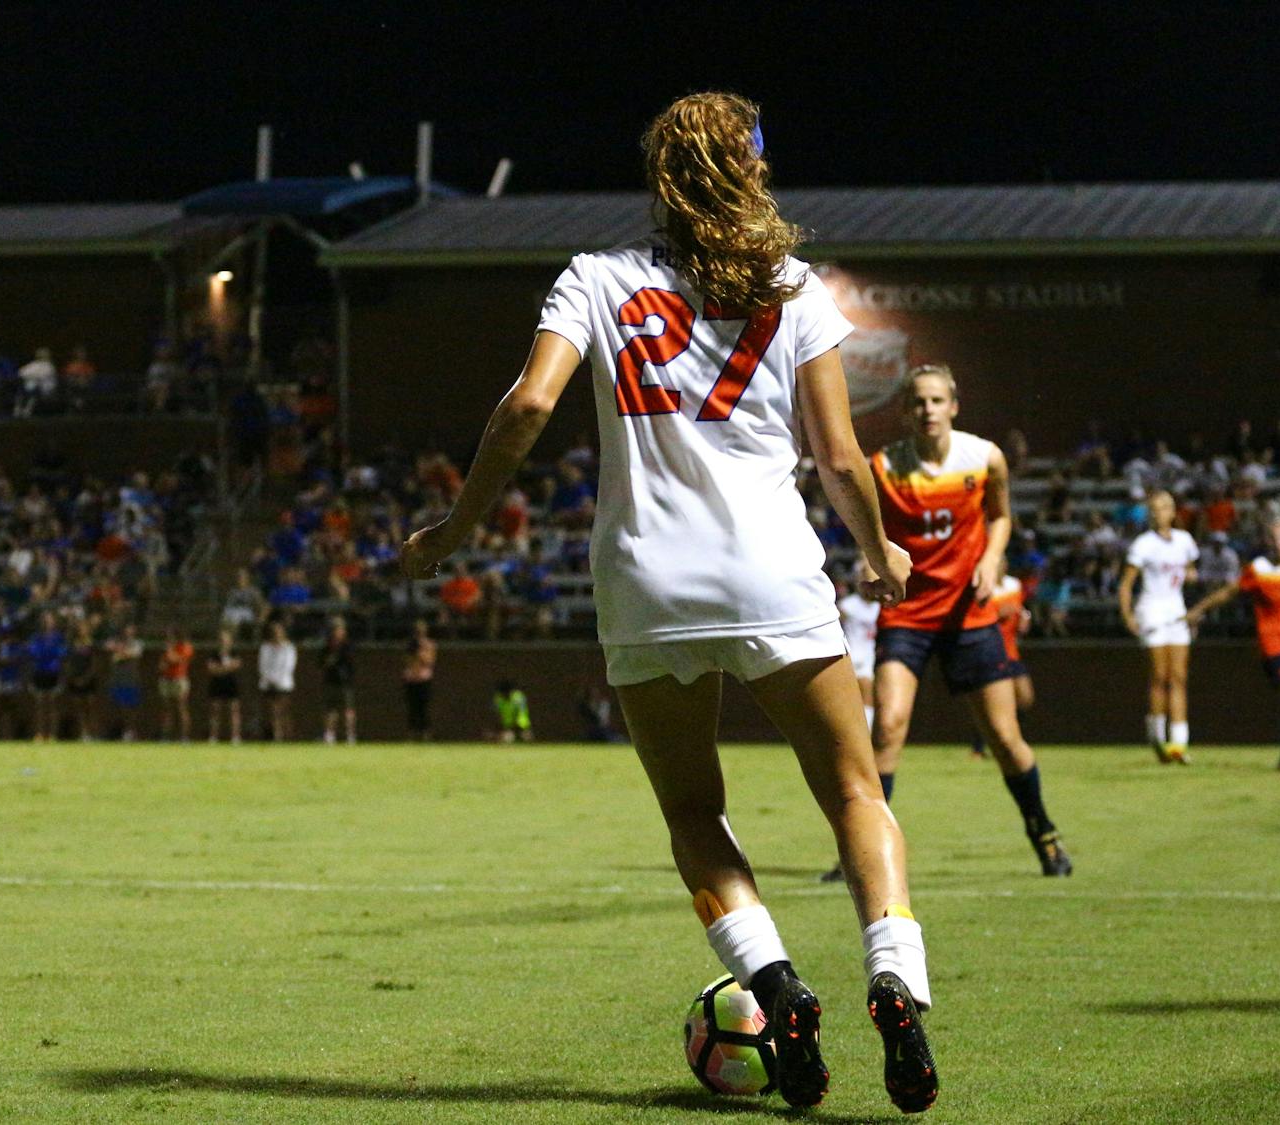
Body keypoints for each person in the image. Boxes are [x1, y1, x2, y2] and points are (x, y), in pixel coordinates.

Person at [400, 92, 934, 1112]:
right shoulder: (796, 288)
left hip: (645, 585)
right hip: (773, 575)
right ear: (756, 173)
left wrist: (458, 530)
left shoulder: (596, 280)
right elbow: (836, 454)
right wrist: (881, 552)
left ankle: (774, 986)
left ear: (660, 178)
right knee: (857, 796)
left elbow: (526, 406)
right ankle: (896, 982)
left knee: (696, 811)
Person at [869, 364, 1071, 878]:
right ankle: (867, 852)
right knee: (888, 726)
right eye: (918, 402)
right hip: (908, 614)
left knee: (1004, 738)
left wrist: (991, 557)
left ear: (953, 406)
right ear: (905, 410)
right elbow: (868, 531)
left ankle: (1043, 832)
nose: (928, 410)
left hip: (969, 615)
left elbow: (1000, 516)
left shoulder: (984, 458)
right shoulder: (884, 467)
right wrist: (876, 567)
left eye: (937, 401)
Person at [1186, 517, 1280, 771]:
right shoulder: (1258, 569)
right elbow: (1229, 591)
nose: (1274, 544)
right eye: (1270, 538)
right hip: (1275, 645)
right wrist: (1199, 610)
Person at [1118, 490, 1199, 763]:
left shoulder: (1184, 541)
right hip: (1151, 610)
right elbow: (1126, 584)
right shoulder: (1143, 544)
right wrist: (1128, 616)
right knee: (1159, 676)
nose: (1158, 512)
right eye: (1154, 508)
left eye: (1164, 507)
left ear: (1173, 511)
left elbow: (1189, 570)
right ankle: (1157, 738)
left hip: (1176, 611)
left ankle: (1179, 744)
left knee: (1179, 677)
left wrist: (1190, 576)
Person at [820, 574, 881, 883]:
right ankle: (859, 738)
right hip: (850, 654)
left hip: (867, 657)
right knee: (859, 696)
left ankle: (863, 738)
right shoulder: (849, 605)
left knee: (867, 694)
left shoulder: (877, 609)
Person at [971, 569, 1034, 758]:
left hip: (1010, 652)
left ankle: (1013, 739)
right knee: (989, 702)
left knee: (1025, 698)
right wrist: (998, 613)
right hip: (989, 650)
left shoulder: (1013, 585)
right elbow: (974, 616)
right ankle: (979, 747)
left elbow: (1023, 612)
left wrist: (1024, 620)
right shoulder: (981, 585)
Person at [27, 612, 68, 741]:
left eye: (49, 620)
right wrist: (48, 652)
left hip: (53, 672)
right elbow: (33, 652)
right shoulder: (36, 637)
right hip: (39, 672)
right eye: (44, 620)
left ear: (54, 622)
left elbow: (62, 652)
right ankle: (39, 732)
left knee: (52, 704)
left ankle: (52, 734)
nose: (47, 623)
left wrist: (48, 652)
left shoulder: (58, 637)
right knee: (39, 704)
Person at [320, 616, 357, 744]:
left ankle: (350, 735)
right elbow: (321, 663)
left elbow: (351, 663)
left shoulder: (348, 646)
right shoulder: (327, 646)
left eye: (339, 628)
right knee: (331, 710)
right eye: (334, 629)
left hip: (345, 682)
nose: (337, 632)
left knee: (348, 710)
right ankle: (329, 735)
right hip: (331, 681)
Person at [105, 624, 145, 741]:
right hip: (118, 680)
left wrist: (120, 653)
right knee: (118, 707)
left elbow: (132, 654)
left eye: (131, 629)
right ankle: (119, 731)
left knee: (131, 708)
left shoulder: (137, 643)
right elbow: (107, 646)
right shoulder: (117, 641)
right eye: (127, 629)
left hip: (131, 680)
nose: (129, 631)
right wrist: (119, 650)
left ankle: (131, 731)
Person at [258, 620, 296, 741]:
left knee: (283, 712)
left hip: (283, 685)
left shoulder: (289, 648)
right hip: (268, 684)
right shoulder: (265, 648)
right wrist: (270, 679)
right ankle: (273, 736)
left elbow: (288, 667)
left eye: (279, 632)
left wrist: (278, 680)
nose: (276, 635)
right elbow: (262, 666)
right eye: (274, 632)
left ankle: (285, 736)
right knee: (271, 712)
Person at [402, 617, 437, 741]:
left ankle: (426, 734)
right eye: (417, 631)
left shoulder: (430, 644)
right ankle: (411, 735)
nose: (419, 633)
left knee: (424, 708)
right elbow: (407, 661)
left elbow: (430, 661)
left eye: (421, 631)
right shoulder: (409, 645)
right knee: (412, 708)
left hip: (424, 679)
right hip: (411, 679)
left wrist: (421, 652)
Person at [206, 629, 243, 743]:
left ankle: (235, 737)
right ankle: (213, 736)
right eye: (221, 640)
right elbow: (211, 669)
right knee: (215, 711)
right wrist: (226, 668)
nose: (223, 642)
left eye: (225, 639)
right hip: (216, 684)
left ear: (230, 641)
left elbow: (236, 665)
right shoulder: (213, 654)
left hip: (231, 684)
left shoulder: (235, 653)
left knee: (234, 711)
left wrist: (220, 669)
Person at [63, 620, 98, 741]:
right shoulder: (72, 643)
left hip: (88, 678)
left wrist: (86, 677)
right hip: (75, 678)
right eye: (81, 627)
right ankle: (84, 732)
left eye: (85, 627)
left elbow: (94, 663)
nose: (83, 629)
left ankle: (93, 732)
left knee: (91, 705)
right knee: (79, 706)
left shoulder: (91, 643)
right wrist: (73, 677)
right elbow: (68, 662)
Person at [157, 628, 194, 741]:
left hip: (179, 680)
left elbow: (175, 660)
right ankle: (166, 736)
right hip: (166, 679)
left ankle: (184, 736)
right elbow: (161, 665)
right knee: (167, 709)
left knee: (181, 707)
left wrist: (169, 650)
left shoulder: (187, 647)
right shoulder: (170, 648)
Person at [0, 626, 31, 739]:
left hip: (14, 679)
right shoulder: (2, 647)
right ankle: (1, 733)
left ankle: (13, 733)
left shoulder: (18, 647)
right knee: (1, 707)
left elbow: (17, 659)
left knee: (14, 707)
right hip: (2, 678)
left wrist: (8, 660)